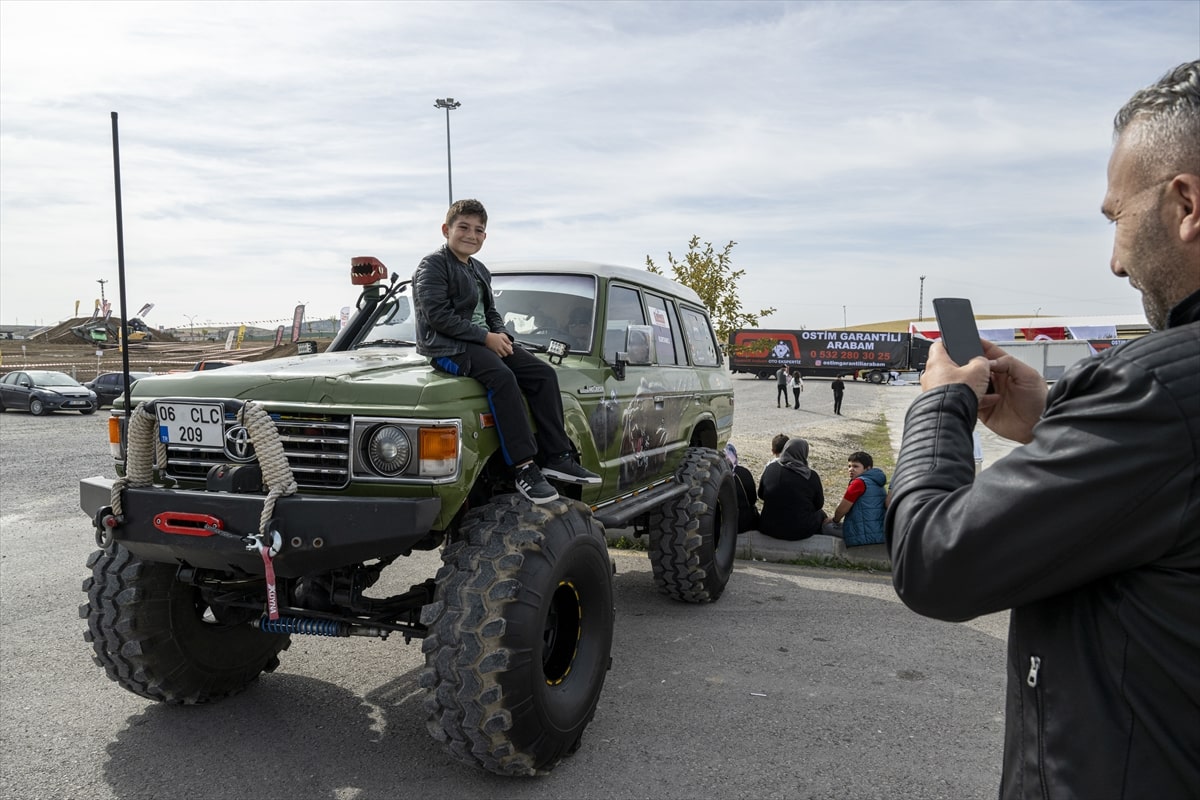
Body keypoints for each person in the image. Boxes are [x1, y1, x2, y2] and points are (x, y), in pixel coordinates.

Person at [886, 61, 1200, 799]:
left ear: (1185, 203)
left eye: (1116, 218)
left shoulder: (1152, 389)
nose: (1116, 260)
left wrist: (940, 404)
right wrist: (1061, 414)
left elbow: (933, 559)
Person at [412, 199, 601, 505]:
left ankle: (557, 456)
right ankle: (524, 467)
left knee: (542, 374)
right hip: (447, 346)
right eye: (463, 227)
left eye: (479, 230)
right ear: (446, 230)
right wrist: (485, 338)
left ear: (484, 237)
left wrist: (501, 334)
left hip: (481, 340)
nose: (471, 235)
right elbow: (438, 316)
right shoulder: (432, 265)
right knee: (502, 378)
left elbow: (492, 312)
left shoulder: (479, 270)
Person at [757, 437, 828, 541]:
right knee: (821, 514)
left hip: (768, 527)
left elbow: (761, 494)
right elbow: (818, 504)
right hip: (799, 532)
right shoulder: (811, 476)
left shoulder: (771, 468)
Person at [829, 451, 887, 546]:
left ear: (868, 468)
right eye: (849, 466)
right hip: (879, 532)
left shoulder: (859, 483)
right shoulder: (877, 481)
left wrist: (834, 520)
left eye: (855, 466)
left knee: (826, 527)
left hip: (864, 534)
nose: (851, 469)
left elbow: (842, 509)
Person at [724, 443, 759, 534]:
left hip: (720, 524)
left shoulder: (714, 475)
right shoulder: (743, 473)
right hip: (742, 523)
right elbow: (752, 499)